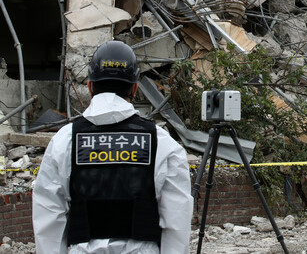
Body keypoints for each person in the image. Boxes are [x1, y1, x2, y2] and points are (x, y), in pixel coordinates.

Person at [33, 41, 193, 254]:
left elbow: (49, 218)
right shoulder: (162, 143)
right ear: (135, 88)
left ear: (90, 86)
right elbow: (177, 221)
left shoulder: (64, 140)